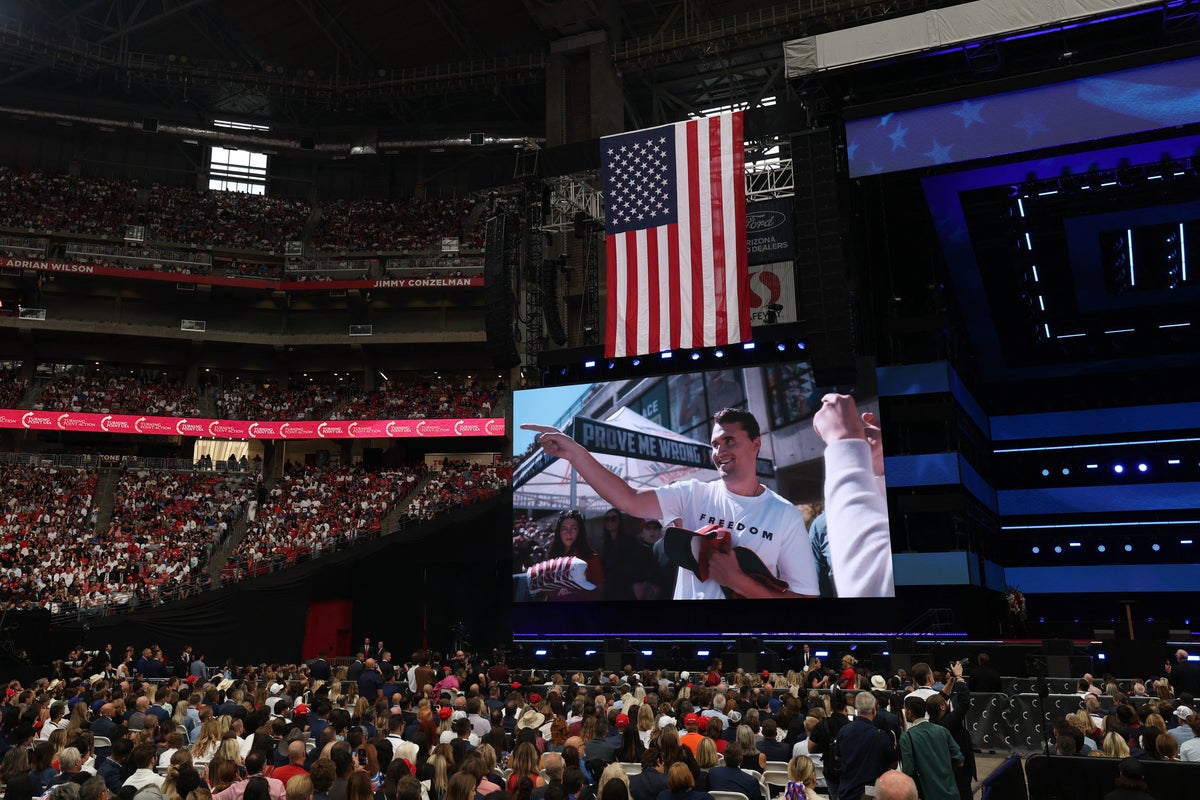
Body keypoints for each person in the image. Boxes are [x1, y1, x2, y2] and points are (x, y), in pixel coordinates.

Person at [523, 409, 820, 599]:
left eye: (730, 441)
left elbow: (806, 601)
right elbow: (629, 499)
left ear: (756, 443)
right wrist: (575, 453)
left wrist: (739, 582)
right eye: (715, 444)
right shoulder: (693, 493)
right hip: (690, 644)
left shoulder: (784, 514)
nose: (720, 451)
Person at [836, 692, 897, 800]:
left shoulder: (844, 731)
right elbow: (893, 764)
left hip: (847, 791)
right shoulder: (881, 735)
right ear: (874, 710)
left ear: (856, 708)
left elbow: (837, 757)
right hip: (870, 793)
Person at [898, 696, 961, 800]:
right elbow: (959, 759)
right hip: (951, 792)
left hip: (927, 793)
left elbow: (908, 769)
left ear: (909, 713)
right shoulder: (942, 730)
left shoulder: (907, 737)